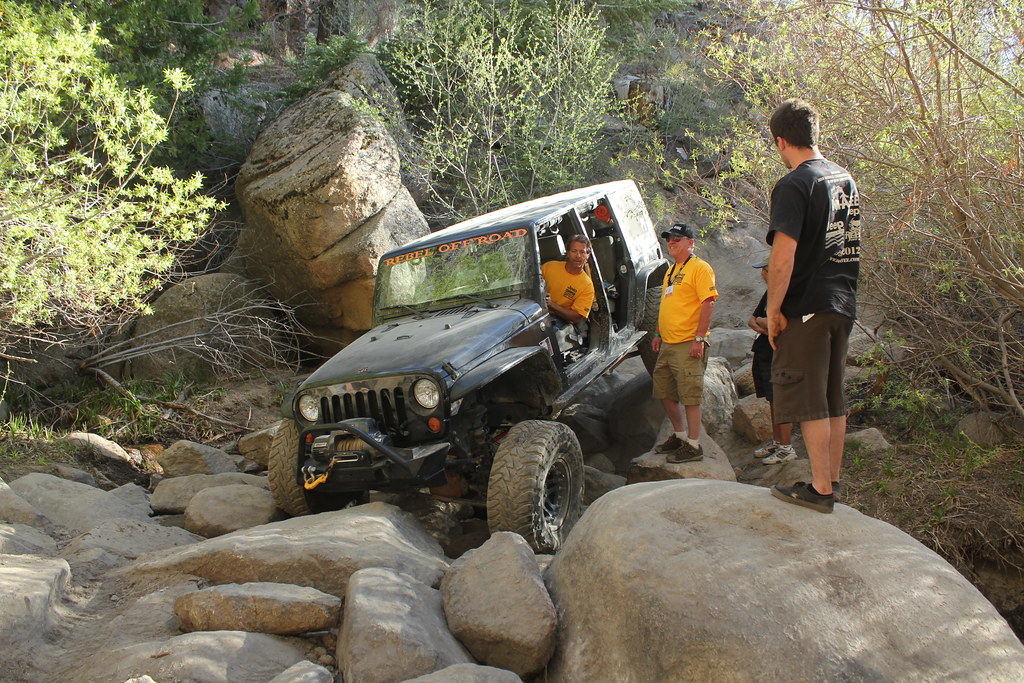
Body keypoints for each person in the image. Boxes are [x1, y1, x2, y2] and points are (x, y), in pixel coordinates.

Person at [765, 98, 861, 513]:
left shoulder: (794, 184)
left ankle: (820, 490)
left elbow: (783, 257)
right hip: (842, 301)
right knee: (831, 397)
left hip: (807, 307)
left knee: (808, 399)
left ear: (782, 141)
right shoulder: (844, 178)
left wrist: (772, 310)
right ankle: (832, 481)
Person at [651, 223, 717, 463]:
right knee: (664, 391)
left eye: (677, 239)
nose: (671, 242)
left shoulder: (700, 268)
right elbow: (666, 305)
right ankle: (679, 436)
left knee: (690, 395)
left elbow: (708, 303)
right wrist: (658, 334)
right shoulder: (671, 270)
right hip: (668, 342)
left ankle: (693, 444)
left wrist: (699, 338)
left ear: (691, 243)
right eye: (669, 239)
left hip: (689, 341)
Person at [747, 261, 795, 465]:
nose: (763, 274)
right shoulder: (769, 293)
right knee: (772, 400)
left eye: (765, 270)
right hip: (763, 351)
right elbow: (753, 319)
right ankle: (777, 442)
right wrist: (765, 327)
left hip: (780, 353)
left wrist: (767, 324)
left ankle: (787, 447)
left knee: (781, 400)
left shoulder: (786, 292)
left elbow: (780, 322)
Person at [541, 234, 595, 325]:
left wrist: (552, 304)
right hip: (536, 313)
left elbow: (577, 317)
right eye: (574, 251)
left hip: (560, 321)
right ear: (568, 253)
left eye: (582, 252)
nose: (578, 256)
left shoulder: (587, 285)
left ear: (588, 255)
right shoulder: (549, 267)